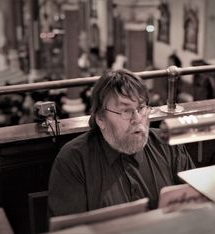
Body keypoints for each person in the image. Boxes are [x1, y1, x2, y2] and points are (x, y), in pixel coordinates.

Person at [48, 69, 195, 217]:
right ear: (100, 119)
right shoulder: (73, 161)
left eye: (141, 107)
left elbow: (197, 207)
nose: (137, 119)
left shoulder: (168, 145)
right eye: (126, 110)